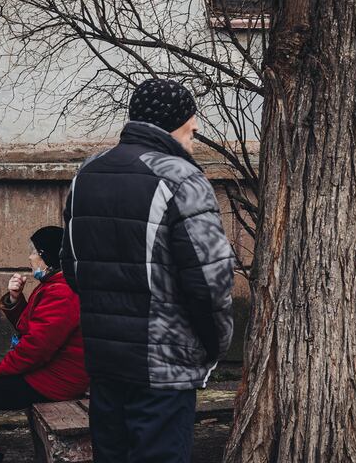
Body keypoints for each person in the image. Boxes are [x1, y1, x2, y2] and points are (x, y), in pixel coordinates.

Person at [60, 78, 235, 462]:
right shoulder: (181, 178)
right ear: (175, 123)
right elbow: (210, 283)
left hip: (105, 362)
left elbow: (72, 269)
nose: (195, 134)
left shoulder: (87, 174)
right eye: (192, 127)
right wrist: (215, 346)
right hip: (163, 368)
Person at [0, 226, 88, 463]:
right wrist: (15, 298)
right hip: (51, 373)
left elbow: (37, 346)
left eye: (33, 252)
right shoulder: (55, 284)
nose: (30, 258)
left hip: (56, 381)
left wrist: (1, 371)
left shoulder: (62, 291)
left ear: (46, 257)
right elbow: (32, 328)